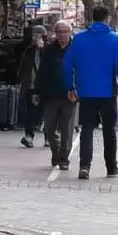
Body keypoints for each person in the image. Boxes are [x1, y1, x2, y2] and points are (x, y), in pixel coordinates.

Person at [64, 6, 118, 179]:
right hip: (107, 93)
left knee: (86, 130)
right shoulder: (115, 40)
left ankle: (84, 166)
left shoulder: (79, 39)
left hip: (85, 92)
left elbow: (67, 66)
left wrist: (70, 87)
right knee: (109, 131)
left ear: (92, 18)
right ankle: (111, 167)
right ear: (107, 18)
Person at [38, 21, 76, 170]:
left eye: (65, 31)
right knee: (49, 128)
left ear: (70, 32)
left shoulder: (76, 49)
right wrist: (37, 90)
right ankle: (56, 151)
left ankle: (64, 159)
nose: (62, 35)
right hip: (51, 95)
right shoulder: (48, 50)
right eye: (59, 31)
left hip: (69, 95)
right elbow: (42, 71)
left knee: (67, 130)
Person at [17, 25, 46, 148]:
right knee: (29, 112)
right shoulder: (29, 51)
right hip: (31, 85)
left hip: (45, 86)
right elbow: (23, 67)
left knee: (46, 112)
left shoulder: (48, 50)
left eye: (38, 36)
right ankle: (29, 136)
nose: (35, 39)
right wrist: (20, 81)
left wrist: (42, 49)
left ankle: (48, 137)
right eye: (34, 36)